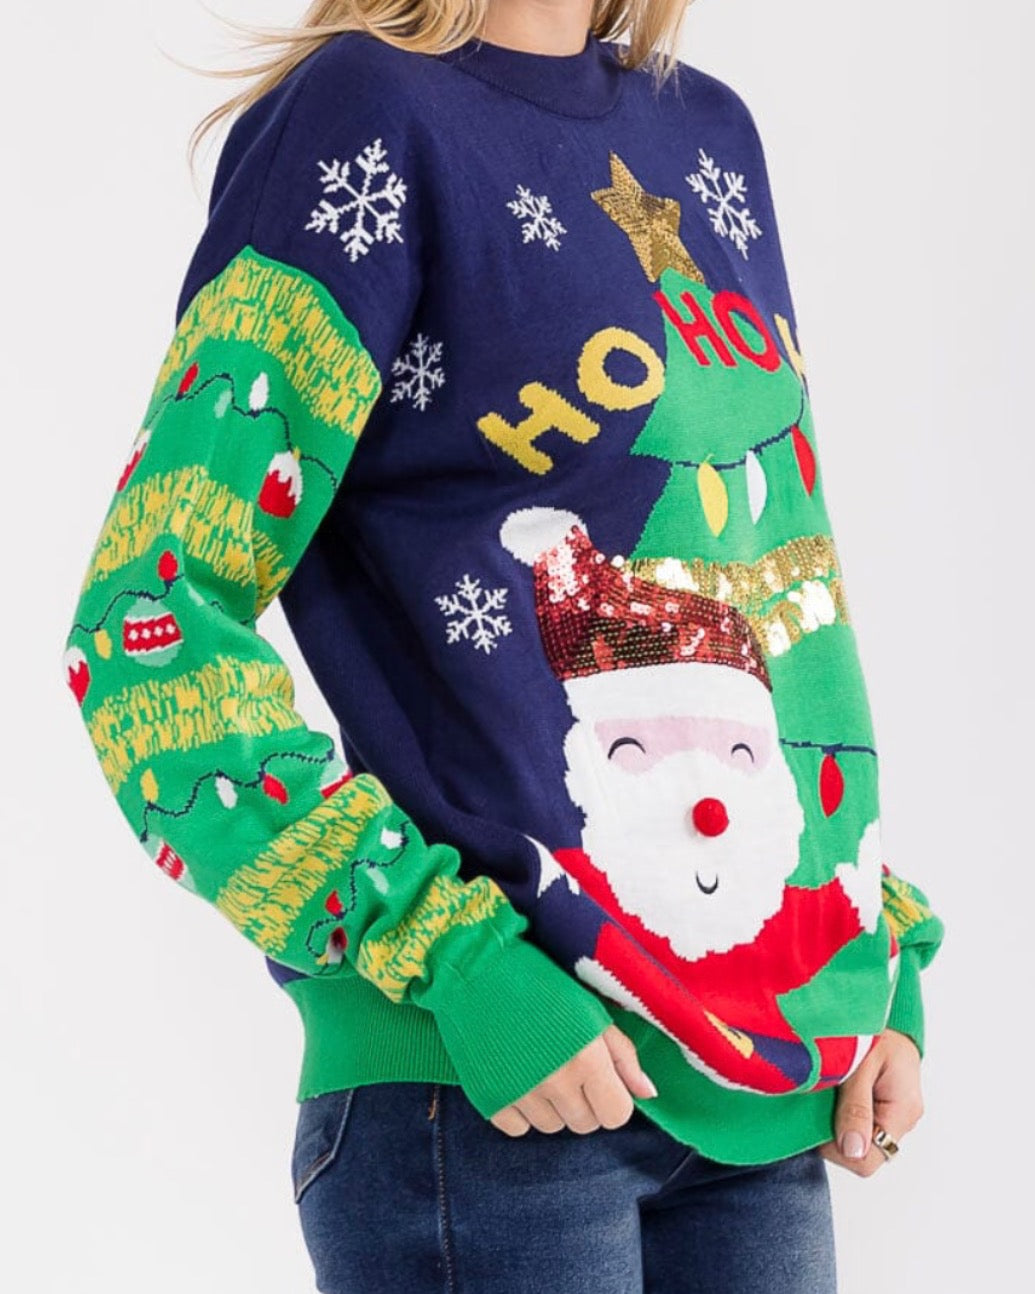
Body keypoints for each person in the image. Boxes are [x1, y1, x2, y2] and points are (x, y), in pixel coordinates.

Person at [62, 1, 945, 1290]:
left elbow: (770, 589)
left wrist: (869, 956)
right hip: (484, 1096)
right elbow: (148, 618)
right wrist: (454, 957)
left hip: (763, 1106)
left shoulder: (708, 135)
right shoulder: (365, 118)